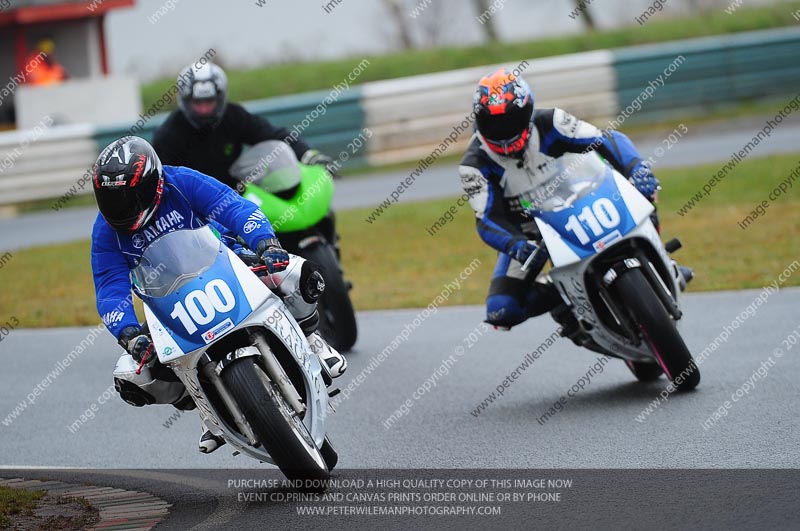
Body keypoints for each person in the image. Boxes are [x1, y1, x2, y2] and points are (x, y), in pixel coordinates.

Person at [90, 136, 346, 454]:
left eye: (130, 196)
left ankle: (311, 340)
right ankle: (206, 407)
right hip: (167, 303)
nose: (121, 207)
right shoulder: (106, 230)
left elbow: (233, 206)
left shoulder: (180, 181)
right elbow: (109, 286)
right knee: (133, 377)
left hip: (228, 262)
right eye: (111, 199)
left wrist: (265, 242)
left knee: (301, 274)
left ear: (153, 181)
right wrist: (128, 333)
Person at [459, 68, 692, 330]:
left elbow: (607, 139)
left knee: (644, 188)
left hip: (583, 197)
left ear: (527, 111)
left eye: (511, 120)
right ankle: (565, 299)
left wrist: (637, 168)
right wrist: (516, 245)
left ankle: (662, 260)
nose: (503, 131)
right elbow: (487, 220)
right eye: (493, 123)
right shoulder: (474, 165)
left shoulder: (552, 121)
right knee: (502, 311)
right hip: (532, 232)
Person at [152, 62, 337, 191]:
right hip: (196, 207)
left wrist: (307, 154)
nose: (204, 108)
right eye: (197, 102)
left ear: (220, 98)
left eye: (209, 101)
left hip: (238, 196)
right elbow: (163, 183)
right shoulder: (168, 136)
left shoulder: (233, 115)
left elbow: (273, 134)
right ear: (185, 101)